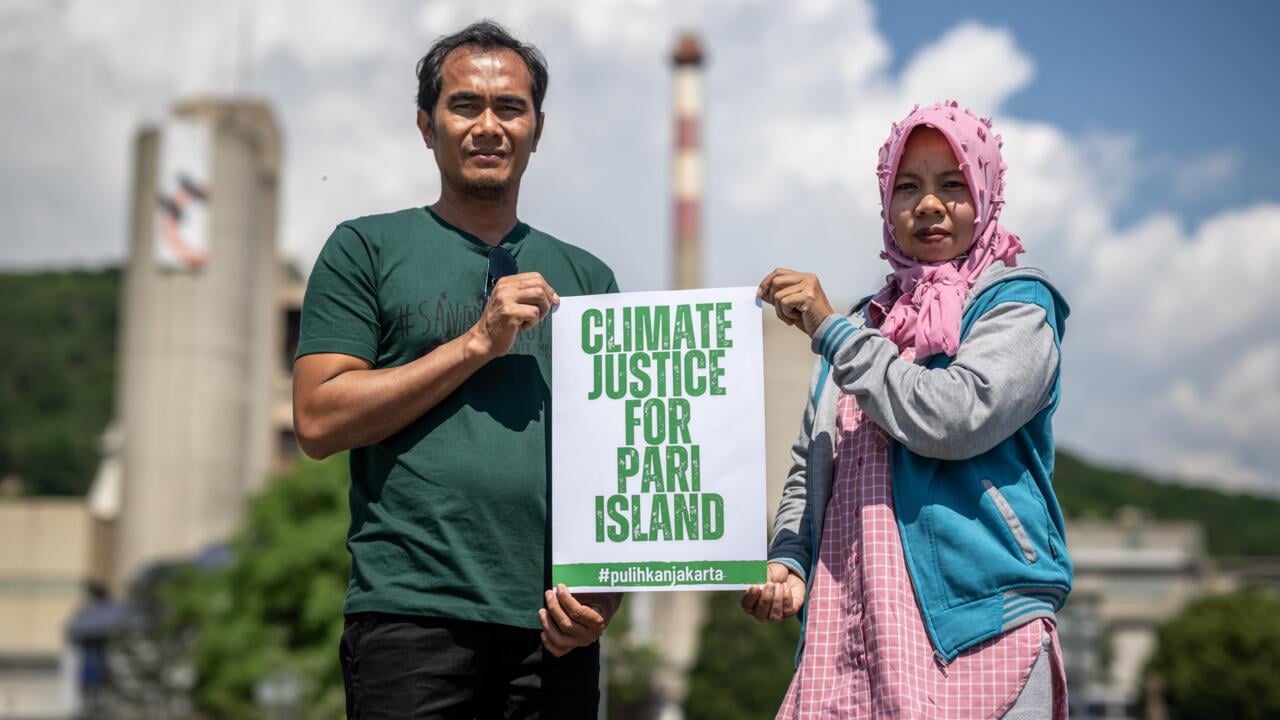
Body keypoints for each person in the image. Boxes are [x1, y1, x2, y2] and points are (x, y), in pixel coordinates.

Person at [292, 20, 621, 719]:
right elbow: (317, 420)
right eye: (465, 105)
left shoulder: (590, 278)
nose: (489, 126)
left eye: (511, 108)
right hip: (410, 618)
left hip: (553, 626)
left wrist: (608, 593)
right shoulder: (365, 249)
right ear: (426, 124)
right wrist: (477, 343)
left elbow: (624, 457)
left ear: (537, 128)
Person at [748, 102, 1071, 719]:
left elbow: (953, 416)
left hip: (978, 631)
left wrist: (831, 331)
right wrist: (789, 557)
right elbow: (812, 462)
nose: (928, 205)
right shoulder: (865, 322)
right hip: (851, 634)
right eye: (907, 187)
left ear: (986, 195)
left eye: (953, 185)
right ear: (886, 204)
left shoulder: (1017, 305)